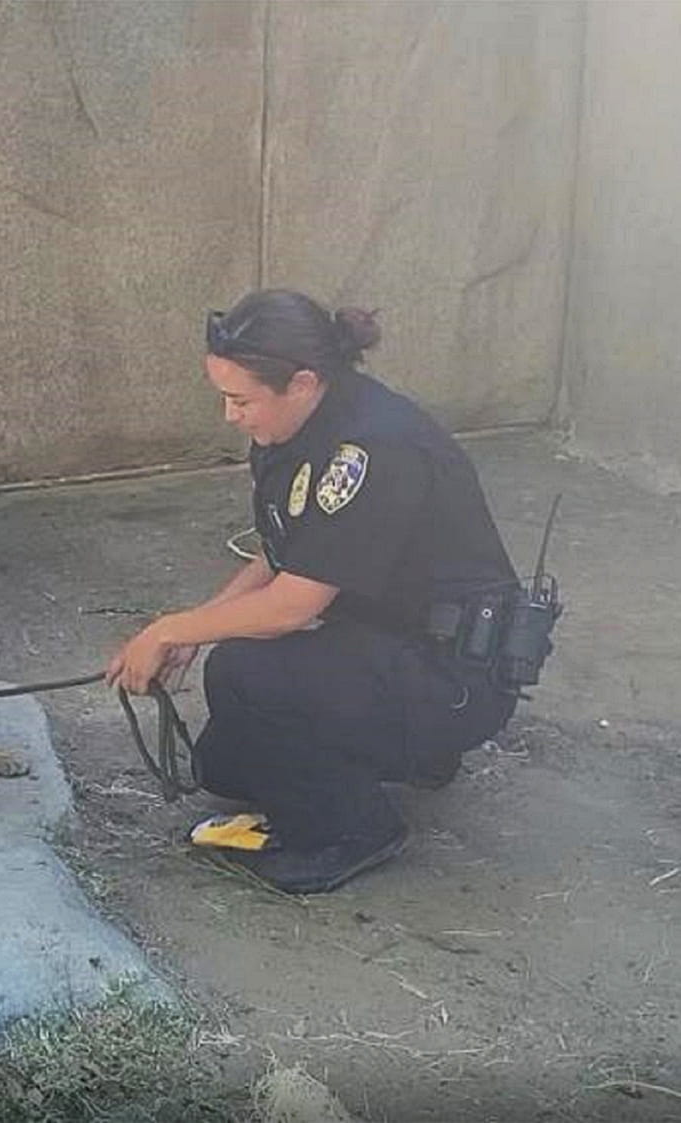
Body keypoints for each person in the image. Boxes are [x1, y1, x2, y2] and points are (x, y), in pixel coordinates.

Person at [105, 288, 524, 894]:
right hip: (390, 638)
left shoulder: (374, 449)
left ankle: (354, 831)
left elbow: (293, 606)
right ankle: (404, 757)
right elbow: (282, 558)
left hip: (455, 677)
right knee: (226, 759)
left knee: (251, 674)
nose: (231, 416)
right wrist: (199, 625)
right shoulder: (299, 429)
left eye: (241, 400)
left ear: (301, 382)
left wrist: (171, 630)